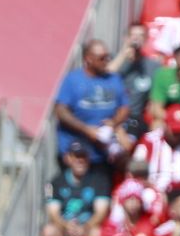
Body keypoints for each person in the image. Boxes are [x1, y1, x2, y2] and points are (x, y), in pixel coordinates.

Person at [52, 41, 130, 181]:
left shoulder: (114, 79)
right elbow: (61, 111)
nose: (106, 61)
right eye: (102, 58)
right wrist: (86, 129)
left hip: (102, 155)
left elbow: (124, 107)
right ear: (88, 58)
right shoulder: (73, 80)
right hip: (75, 153)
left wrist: (113, 122)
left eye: (108, 56)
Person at [43, 142, 109, 236]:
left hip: (87, 227)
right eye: (76, 157)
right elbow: (53, 213)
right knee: (48, 232)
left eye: (84, 157)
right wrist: (66, 226)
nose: (80, 160)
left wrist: (86, 227)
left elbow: (101, 212)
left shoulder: (100, 181)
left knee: (98, 234)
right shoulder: (53, 183)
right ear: (68, 158)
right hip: (64, 228)